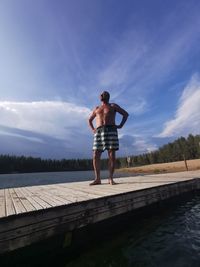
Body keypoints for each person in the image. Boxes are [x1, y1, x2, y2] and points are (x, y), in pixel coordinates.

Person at [88, 91, 129, 185]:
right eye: (101, 94)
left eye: (104, 94)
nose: (102, 95)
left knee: (111, 154)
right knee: (95, 154)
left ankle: (110, 178)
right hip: (98, 131)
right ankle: (97, 179)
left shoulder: (113, 106)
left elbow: (125, 114)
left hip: (111, 130)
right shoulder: (97, 108)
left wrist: (121, 125)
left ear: (108, 96)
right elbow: (89, 120)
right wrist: (93, 129)